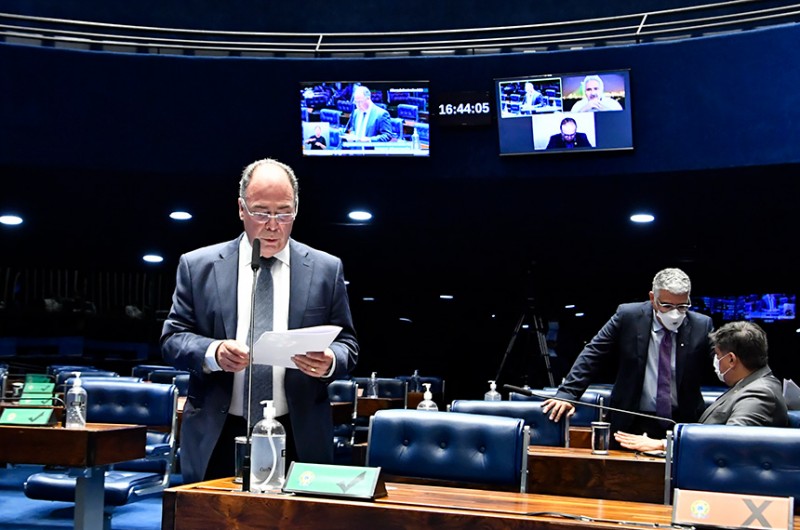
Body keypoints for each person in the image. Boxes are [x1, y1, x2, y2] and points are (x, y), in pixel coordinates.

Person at [161, 158, 359, 484]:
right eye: (261, 212)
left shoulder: (325, 269)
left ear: (296, 209)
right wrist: (213, 352)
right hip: (219, 433)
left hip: (298, 432)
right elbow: (172, 340)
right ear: (241, 209)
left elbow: (348, 344)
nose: (273, 225)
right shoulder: (198, 267)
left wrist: (330, 361)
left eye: (284, 213)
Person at [542, 268, 713, 442]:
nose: (674, 313)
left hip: (681, 422)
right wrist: (568, 393)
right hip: (630, 419)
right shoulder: (628, 316)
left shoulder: (702, 325)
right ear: (652, 298)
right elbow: (594, 353)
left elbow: (721, 364)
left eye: (682, 306)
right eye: (667, 306)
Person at [615, 321, 788, 452]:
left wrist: (662, 445)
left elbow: (731, 442)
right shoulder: (750, 383)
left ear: (731, 360)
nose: (716, 362)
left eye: (718, 355)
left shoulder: (759, 394)